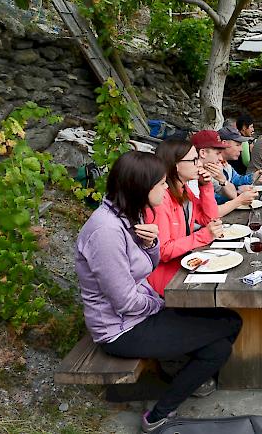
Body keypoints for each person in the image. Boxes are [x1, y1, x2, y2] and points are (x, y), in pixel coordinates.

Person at [76, 151, 242, 433]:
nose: (166, 189)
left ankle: (180, 375)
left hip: (141, 313)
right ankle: (158, 415)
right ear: (142, 187)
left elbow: (147, 266)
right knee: (228, 328)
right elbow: (125, 301)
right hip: (121, 330)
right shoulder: (105, 232)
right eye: (162, 184)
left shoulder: (128, 216)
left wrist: (151, 244)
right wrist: (161, 305)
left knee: (222, 339)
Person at [143, 137, 223, 296]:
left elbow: (209, 219)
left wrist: (205, 186)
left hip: (186, 264)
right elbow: (163, 251)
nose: (199, 164)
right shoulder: (161, 199)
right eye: (194, 160)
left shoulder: (183, 189)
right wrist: (203, 235)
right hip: (168, 282)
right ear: (175, 165)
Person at [191, 130, 258, 214]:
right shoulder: (190, 177)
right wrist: (239, 199)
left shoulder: (208, 171)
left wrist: (222, 179)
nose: (220, 158)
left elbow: (232, 193)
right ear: (203, 153)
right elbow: (208, 213)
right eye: (217, 153)